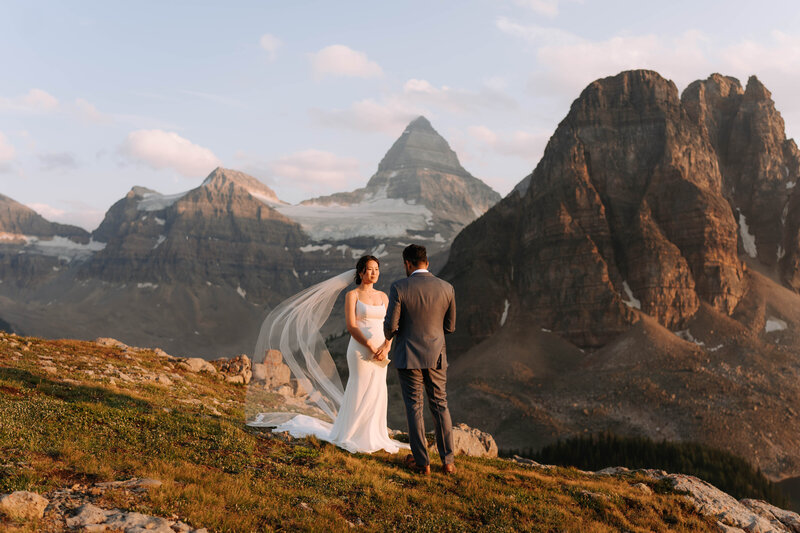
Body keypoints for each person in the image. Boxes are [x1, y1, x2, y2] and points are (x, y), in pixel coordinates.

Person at [247, 255, 407, 455]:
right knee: (359, 387)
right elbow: (351, 325)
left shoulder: (384, 297)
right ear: (360, 272)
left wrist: (387, 346)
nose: (373, 273)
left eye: (376, 269)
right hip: (360, 349)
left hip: (381, 351)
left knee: (377, 389)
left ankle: (374, 434)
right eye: (369, 269)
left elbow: (391, 325)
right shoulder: (353, 295)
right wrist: (369, 346)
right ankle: (352, 433)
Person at [384, 244, 456, 475]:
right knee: (440, 405)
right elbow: (450, 327)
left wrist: (395, 334)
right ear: (428, 262)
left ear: (407, 263)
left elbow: (391, 327)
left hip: (408, 355)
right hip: (436, 355)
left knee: (414, 407)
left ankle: (422, 462)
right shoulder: (447, 287)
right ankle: (448, 462)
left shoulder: (399, 287)